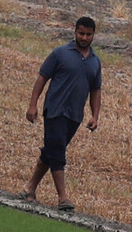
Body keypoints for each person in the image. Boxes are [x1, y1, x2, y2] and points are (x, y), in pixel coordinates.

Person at [21, 16, 102, 211]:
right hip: (55, 110)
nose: (84, 37)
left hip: (75, 115)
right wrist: (33, 105)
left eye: (88, 34)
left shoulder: (95, 62)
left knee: (51, 152)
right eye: (81, 33)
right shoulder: (60, 53)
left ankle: (29, 188)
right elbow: (42, 78)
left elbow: (96, 90)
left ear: (93, 36)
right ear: (75, 31)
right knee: (57, 152)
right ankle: (63, 198)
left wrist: (95, 115)